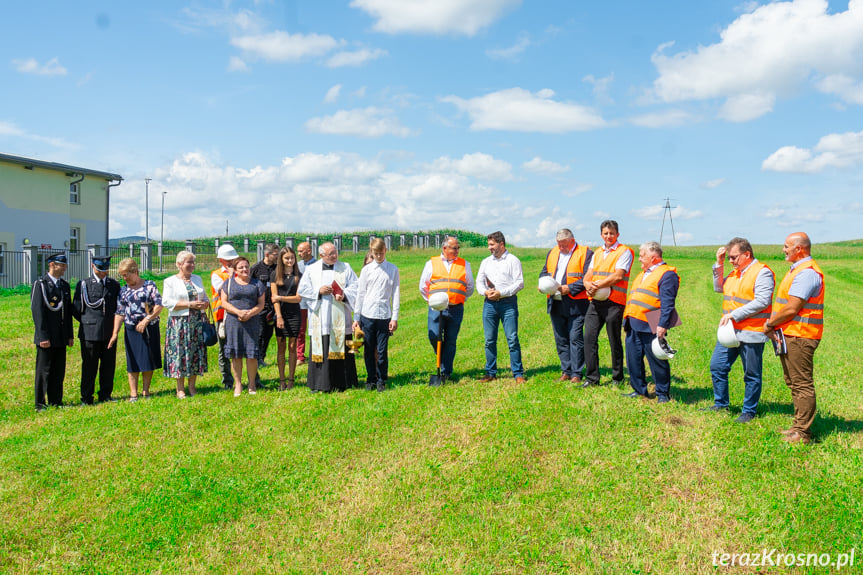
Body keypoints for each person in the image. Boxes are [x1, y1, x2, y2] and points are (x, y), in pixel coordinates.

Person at [703, 238, 774, 423]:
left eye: (734, 257)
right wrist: (718, 265)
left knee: (751, 374)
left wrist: (735, 314)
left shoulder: (762, 272)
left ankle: (749, 411)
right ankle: (721, 405)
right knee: (717, 366)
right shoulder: (735, 273)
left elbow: (762, 301)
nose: (731, 261)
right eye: (728, 258)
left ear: (747, 254)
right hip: (730, 332)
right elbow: (719, 287)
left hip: (752, 331)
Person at [764, 232, 825, 444]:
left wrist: (770, 324)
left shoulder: (807, 273)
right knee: (793, 382)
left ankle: (803, 433)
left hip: (801, 335)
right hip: (790, 333)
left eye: (787, 246)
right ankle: (798, 427)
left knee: (802, 384)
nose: (783, 249)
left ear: (799, 249)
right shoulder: (797, 270)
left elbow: (792, 308)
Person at [622, 242, 680, 403]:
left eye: (642, 256)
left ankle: (662, 393)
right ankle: (639, 390)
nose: (639, 259)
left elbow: (668, 303)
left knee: (656, 359)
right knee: (633, 358)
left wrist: (663, 325)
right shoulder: (643, 273)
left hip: (652, 322)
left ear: (654, 258)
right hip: (633, 320)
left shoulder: (667, 274)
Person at [297, 242, 359, 392]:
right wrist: (319, 291)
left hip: (340, 315)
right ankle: (319, 383)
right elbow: (303, 289)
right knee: (321, 348)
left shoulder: (345, 267)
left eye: (335, 252)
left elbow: (356, 287)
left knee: (342, 345)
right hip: (321, 316)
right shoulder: (312, 269)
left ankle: (343, 382)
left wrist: (344, 295)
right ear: (321, 256)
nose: (334, 256)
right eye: (330, 254)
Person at [582, 220, 633, 387]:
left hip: (614, 302)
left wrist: (596, 285)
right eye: (605, 233)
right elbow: (588, 274)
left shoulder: (624, 252)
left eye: (612, 233)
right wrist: (587, 284)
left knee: (614, 340)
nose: (609, 236)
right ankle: (592, 378)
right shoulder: (597, 253)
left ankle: (617, 378)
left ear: (617, 234)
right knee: (589, 338)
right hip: (595, 302)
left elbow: (618, 276)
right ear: (601, 235)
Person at [539, 229, 593, 383]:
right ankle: (566, 371)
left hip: (576, 303)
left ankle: (576, 373)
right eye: (559, 244)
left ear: (572, 240)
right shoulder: (552, 252)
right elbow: (544, 272)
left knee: (575, 337)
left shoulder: (586, 253)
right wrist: (542, 284)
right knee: (561, 338)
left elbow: (587, 277)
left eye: (564, 245)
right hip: (555, 302)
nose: (561, 248)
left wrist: (569, 288)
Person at [419, 235, 475, 383]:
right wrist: (433, 302)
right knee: (433, 336)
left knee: (450, 340)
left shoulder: (465, 264)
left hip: (456, 308)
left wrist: (460, 298)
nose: (457, 251)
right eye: (454, 248)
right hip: (436, 309)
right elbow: (423, 286)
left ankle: (446, 372)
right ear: (445, 248)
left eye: (458, 248)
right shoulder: (431, 263)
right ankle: (443, 361)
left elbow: (469, 287)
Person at [109, 258, 163, 401]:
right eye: (122, 275)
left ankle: (146, 391)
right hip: (131, 328)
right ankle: (133, 393)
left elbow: (159, 305)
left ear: (136, 272)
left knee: (147, 358)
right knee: (132, 360)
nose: (124, 278)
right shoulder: (123, 290)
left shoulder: (149, 286)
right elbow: (120, 312)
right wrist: (115, 333)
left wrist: (147, 320)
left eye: (126, 275)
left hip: (149, 327)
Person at [476, 231, 525, 383]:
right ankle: (490, 372)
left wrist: (501, 293)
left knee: (512, 339)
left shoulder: (513, 260)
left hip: (508, 303)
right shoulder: (486, 262)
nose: (489, 248)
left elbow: (519, 283)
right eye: (489, 245)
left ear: (501, 244)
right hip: (489, 304)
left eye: (492, 244)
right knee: (489, 340)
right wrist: (485, 291)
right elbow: (479, 282)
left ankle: (518, 374)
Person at [72, 255, 121, 404]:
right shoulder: (84, 284)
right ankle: (86, 397)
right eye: (100, 269)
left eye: (106, 269)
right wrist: (89, 322)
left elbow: (117, 308)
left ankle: (105, 395)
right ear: (93, 266)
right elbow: (76, 309)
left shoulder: (114, 284)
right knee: (89, 367)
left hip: (109, 332)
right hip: (90, 332)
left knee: (108, 366)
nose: (103, 272)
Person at [353, 238, 400, 392]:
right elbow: (360, 294)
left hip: (384, 314)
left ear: (385, 251)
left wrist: (394, 317)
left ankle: (381, 379)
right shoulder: (366, 270)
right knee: (368, 348)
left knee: (381, 350)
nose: (379, 256)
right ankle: (370, 378)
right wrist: (357, 317)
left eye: (381, 253)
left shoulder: (393, 269)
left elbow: (396, 293)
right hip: (368, 313)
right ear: (372, 252)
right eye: (376, 253)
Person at [162, 251, 210, 399]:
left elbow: (204, 296)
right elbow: (167, 302)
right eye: (189, 262)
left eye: (193, 263)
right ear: (179, 264)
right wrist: (190, 304)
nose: (192, 265)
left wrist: (205, 303)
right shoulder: (170, 281)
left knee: (195, 353)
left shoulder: (197, 279)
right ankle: (180, 388)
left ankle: (192, 386)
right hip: (179, 323)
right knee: (180, 354)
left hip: (196, 321)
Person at [31, 253, 74, 411]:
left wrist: (69, 335)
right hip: (46, 335)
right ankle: (40, 403)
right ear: (51, 265)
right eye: (61, 265)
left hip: (61, 336)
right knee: (44, 370)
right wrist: (42, 336)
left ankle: (56, 400)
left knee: (58, 370)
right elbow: (37, 312)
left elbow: (67, 313)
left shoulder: (64, 286)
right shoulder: (41, 284)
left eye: (64, 265)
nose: (64, 268)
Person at [220, 257, 266, 397]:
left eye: (246, 266)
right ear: (235, 270)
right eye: (241, 267)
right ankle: (238, 384)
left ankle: (252, 384)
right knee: (236, 354)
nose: (245, 269)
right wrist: (238, 312)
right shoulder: (228, 283)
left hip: (252, 322)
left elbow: (261, 304)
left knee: (251, 355)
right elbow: (224, 302)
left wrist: (250, 313)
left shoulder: (257, 284)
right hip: (234, 322)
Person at [271, 246, 303, 391]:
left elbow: (298, 298)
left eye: (292, 258)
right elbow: (274, 298)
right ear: (281, 259)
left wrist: (282, 297)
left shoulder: (299, 276)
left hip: (294, 314)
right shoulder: (275, 275)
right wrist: (279, 316)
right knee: (281, 346)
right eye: (287, 258)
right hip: (280, 314)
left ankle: (291, 379)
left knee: (292, 346)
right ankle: (281, 380)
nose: (290, 260)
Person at [211, 244, 238, 389]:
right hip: (222, 316)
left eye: (233, 259)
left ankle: (253, 378)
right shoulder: (217, 274)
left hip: (239, 315)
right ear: (221, 260)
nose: (231, 262)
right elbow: (225, 289)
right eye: (228, 260)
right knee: (224, 350)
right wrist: (232, 275)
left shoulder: (241, 272)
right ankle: (227, 380)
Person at [250, 243, 279, 370]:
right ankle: (257, 358)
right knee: (260, 333)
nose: (277, 256)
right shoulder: (256, 268)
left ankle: (262, 356)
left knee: (268, 333)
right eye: (275, 254)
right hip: (260, 306)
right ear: (267, 254)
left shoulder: (278, 268)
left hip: (273, 307)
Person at [296, 241, 316, 365]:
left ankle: (316, 352)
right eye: (298, 251)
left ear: (309, 251)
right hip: (301, 302)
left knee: (315, 329)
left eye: (301, 251)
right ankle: (300, 356)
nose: (299, 254)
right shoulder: (297, 266)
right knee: (301, 330)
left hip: (315, 302)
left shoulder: (319, 265)